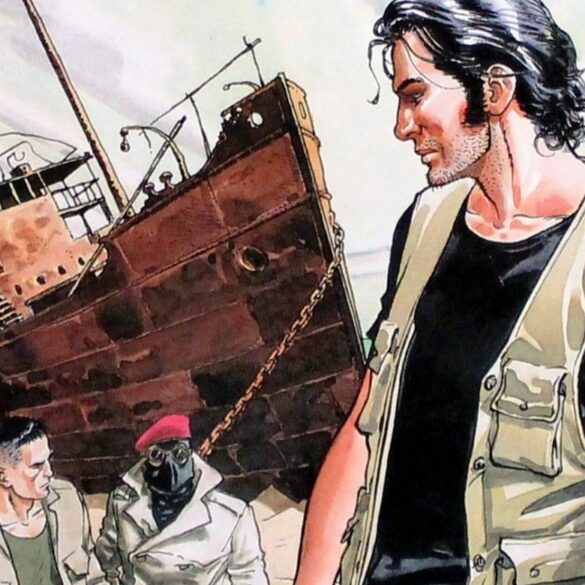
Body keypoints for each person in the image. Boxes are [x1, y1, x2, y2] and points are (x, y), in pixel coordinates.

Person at [294, 1, 585, 584]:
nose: (401, 126)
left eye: (415, 95)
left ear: (495, 89)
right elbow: (363, 430)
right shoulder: (427, 223)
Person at [95, 414, 269, 585]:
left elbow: (250, 577)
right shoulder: (122, 503)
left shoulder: (231, 515)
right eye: (156, 455)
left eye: (179, 454)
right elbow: (103, 564)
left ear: (192, 457)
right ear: (145, 462)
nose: (169, 466)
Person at [0, 416, 106, 585]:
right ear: (3, 477)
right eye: (36, 466)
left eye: (48, 460)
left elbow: (93, 576)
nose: (49, 472)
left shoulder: (66, 499)